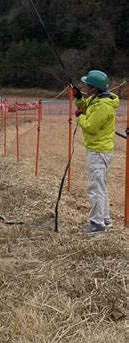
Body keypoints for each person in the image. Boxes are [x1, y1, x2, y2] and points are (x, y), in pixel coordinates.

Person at [73, 70, 119, 234]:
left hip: (99, 151)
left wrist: (79, 117)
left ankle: (97, 224)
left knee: (96, 189)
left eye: (87, 85)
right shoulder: (97, 99)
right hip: (99, 150)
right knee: (101, 187)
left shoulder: (103, 106)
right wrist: (79, 99)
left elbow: (90, 126)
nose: (84, 86)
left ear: (94, 88)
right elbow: (85, 107)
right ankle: (105, 220)